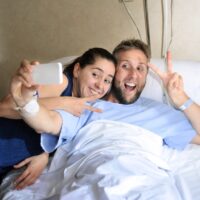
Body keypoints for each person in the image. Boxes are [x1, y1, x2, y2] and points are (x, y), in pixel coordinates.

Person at [0, 47, 116, 189]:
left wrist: (44, 154)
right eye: (95, 74)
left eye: (107, 81)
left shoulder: (87, 109)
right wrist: (64, 102)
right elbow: (3, 107)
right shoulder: (63, 82)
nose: (100, 85)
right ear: (77, 70)